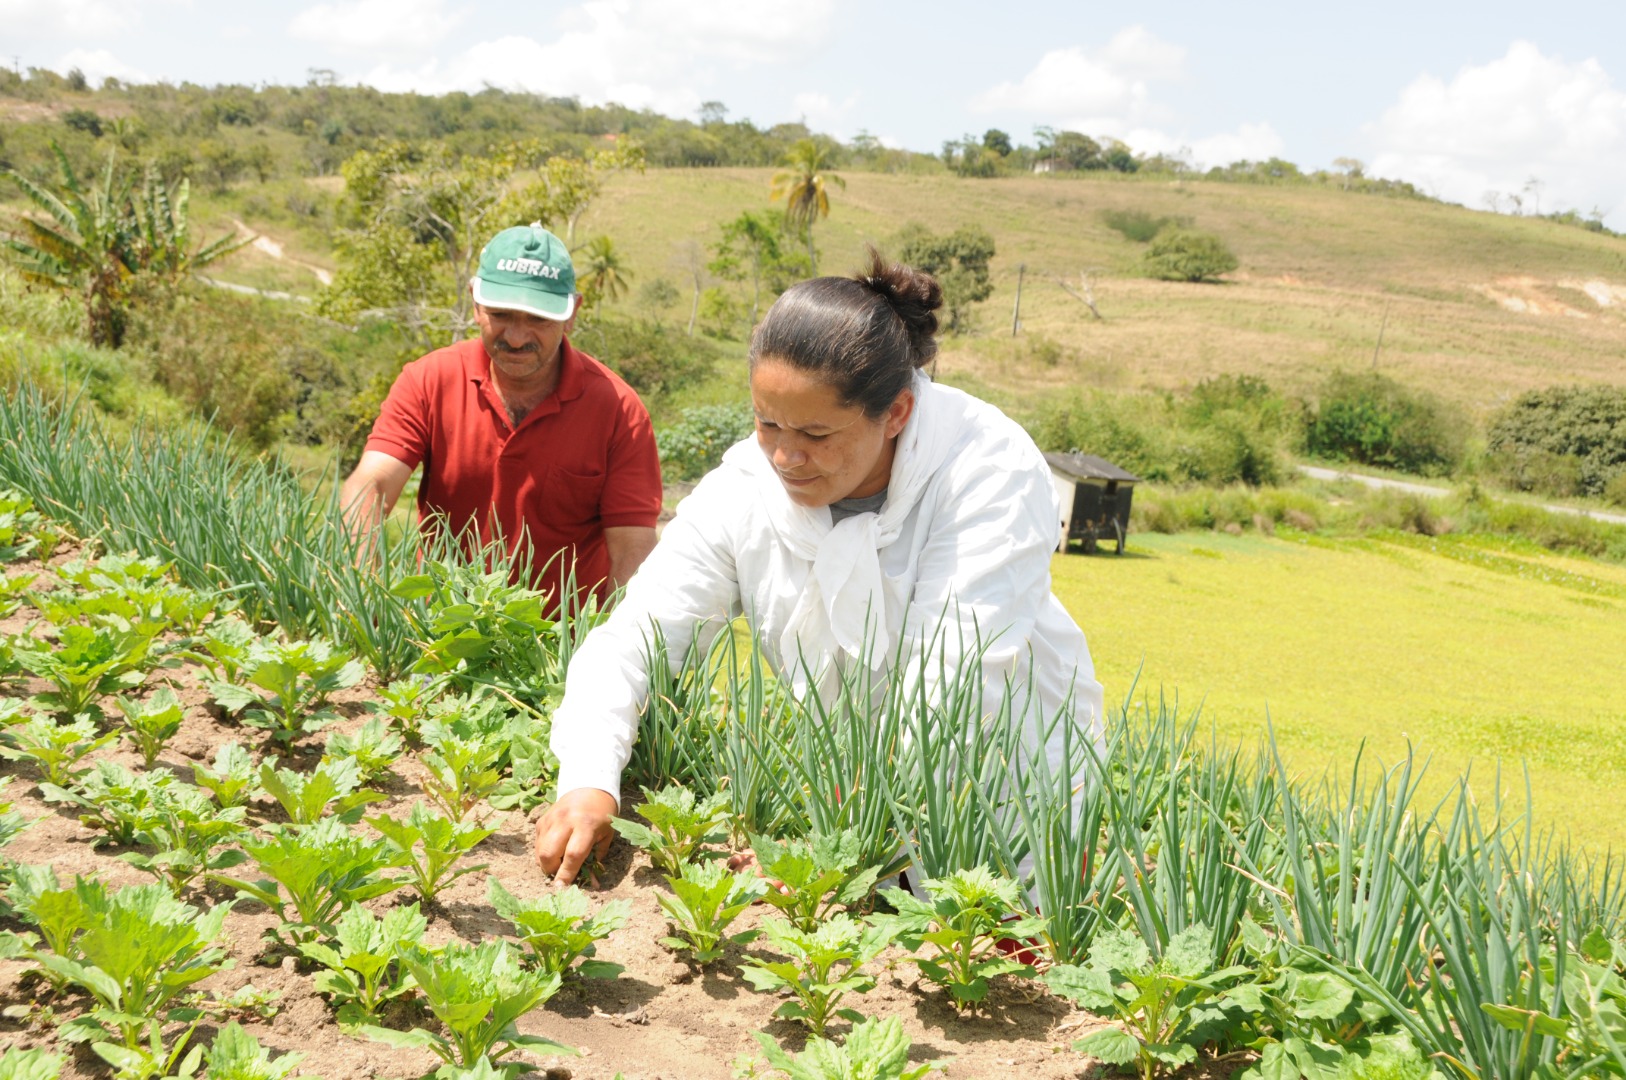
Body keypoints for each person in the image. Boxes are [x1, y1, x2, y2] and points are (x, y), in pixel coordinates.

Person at [534, 251, 1104, 885]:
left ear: (896, 413)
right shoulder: (745, 489)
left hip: (1003, 796)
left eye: (816, 433)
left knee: (988, 961)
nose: (785, 455)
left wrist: (832, 848)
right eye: (766, 422)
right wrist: (589, 780)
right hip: (848, 802)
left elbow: (952, 691)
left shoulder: (986, 469)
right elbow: (635, 641)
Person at [339, 223, 662, 607]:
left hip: (556, 645)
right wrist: (365, 598)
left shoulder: (619, 411)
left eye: (538, 319)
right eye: (501, 314)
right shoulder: (428, 380)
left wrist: (614, 649)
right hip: (443, 629)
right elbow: (369, 486)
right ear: (476, 304)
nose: (516, 336)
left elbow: (632, 549)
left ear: (572, 313)